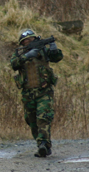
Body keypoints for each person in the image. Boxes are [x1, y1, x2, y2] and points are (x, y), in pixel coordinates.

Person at [10, 29, 63, 157]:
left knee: (43, 118)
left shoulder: (43, 50)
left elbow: (57, 57)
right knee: (31, 120)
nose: (28, 42)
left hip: (44, 91)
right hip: (28, 93)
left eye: (31, 39)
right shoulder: (19, 53)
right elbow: (14, 64)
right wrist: (26, 56)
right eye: (25, 41)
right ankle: (41, 144)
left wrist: (53, 47)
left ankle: (43, 144)